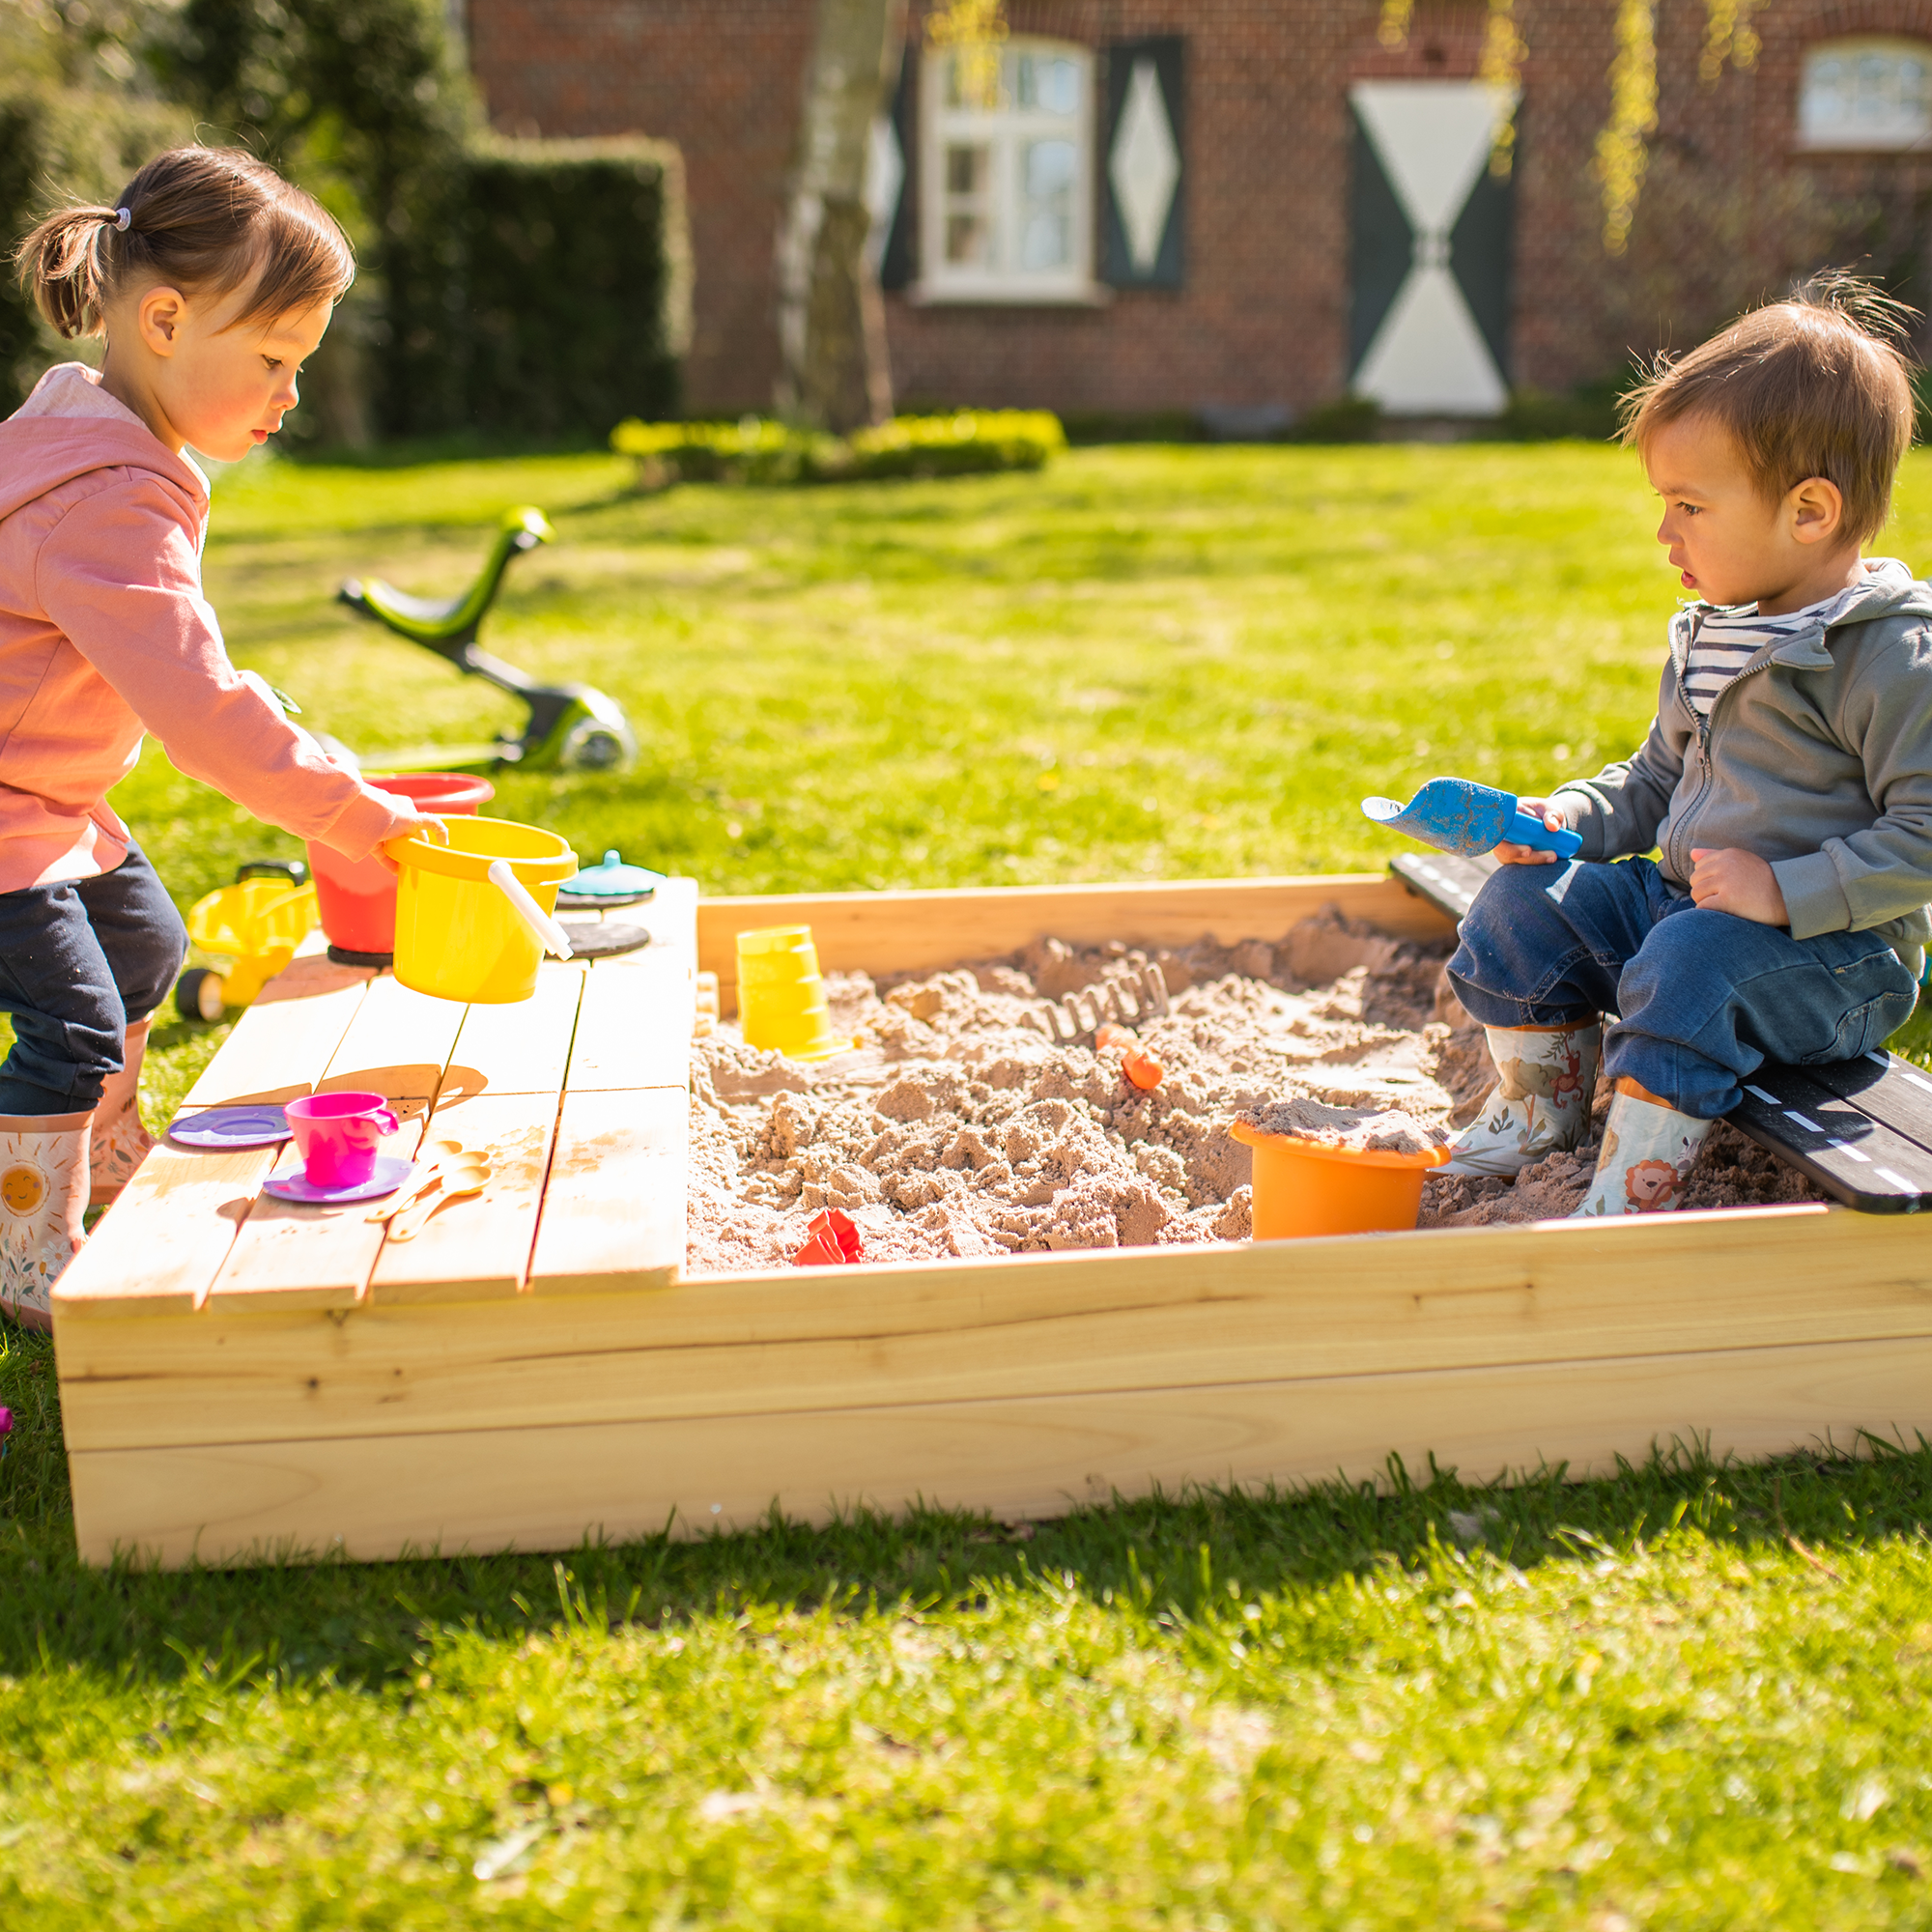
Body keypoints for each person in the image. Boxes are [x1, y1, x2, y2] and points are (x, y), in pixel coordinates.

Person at [0, 146, 443, 1323]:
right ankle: (27, 1250)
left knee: (144, 945)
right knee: (75, 1025)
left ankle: (98, 1145)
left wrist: (298, 741)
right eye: (274, 358)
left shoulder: (85, 435)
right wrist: (350, 817)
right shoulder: (108, 497)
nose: (289, 395)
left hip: (47, 801)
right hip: (7, 819)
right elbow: (196, 711)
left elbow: (181, 659)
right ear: (162, 318)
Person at [1443, 281, 1932, 1215]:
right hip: (1686, 911)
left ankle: (1636, 1175)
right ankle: (1544, 1115)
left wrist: (1785, 891)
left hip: (1834, 956)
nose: (1666, 531)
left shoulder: (1891, 658)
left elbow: (1925, 833)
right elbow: (1659, 777)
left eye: (1690, 506)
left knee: (1696, 961)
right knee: (1518, 904)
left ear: (1810, 511)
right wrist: (1568, 820)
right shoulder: (1717, 631)